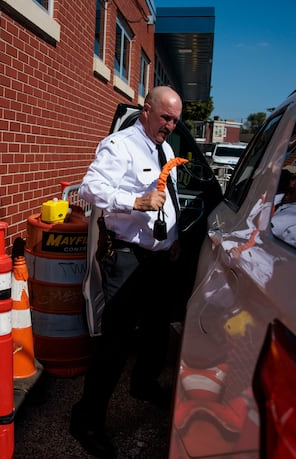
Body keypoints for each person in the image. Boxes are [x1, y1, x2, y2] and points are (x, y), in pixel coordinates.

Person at [70, 86, 183, 458]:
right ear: (146, 110)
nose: (170, 125)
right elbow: (91, 189)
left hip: (159, 258)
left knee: (155, 332)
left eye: (175, 120)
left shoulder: (164, 149)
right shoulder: (120, 145)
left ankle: (144, 385)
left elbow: (170, 200)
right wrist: (135, 200)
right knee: (114, 344)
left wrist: (174, 237)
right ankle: (86, 421)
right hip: (128, 258)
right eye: (165, 117)